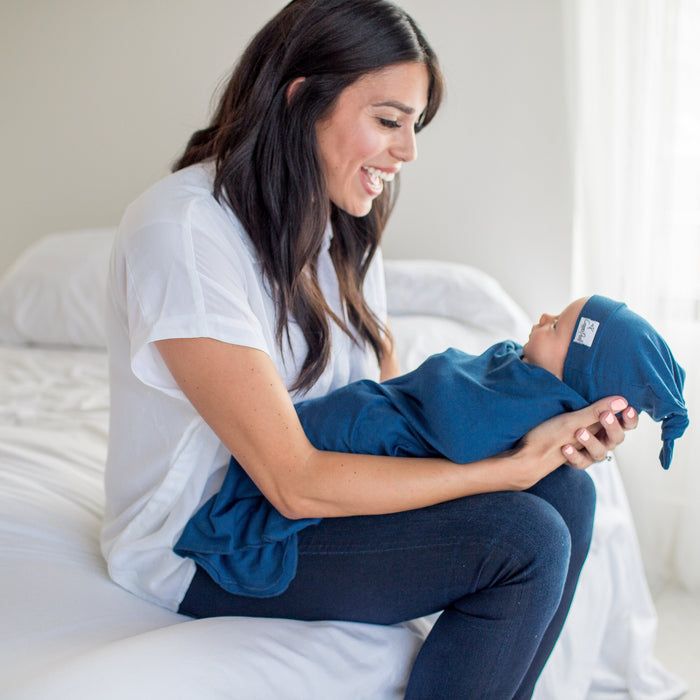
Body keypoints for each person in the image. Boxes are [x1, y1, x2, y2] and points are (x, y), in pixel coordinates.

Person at [101, 1, 639, 697]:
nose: (408, 151)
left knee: (566, 489)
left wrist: (532, 429)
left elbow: (390, 412)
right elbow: (292, 482)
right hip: (210, 540)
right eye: (389, 121)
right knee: (522, 538)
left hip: (309, 501)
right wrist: (502, 475)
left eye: (414, 126)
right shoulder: (181, 232)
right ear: (301, 100)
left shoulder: (338, 227)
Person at [176, 293, 688, 612]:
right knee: (534, 534)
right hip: (302, 467)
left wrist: (548, 443)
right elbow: (423, 392)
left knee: (571, 489)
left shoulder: (525, 398)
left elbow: (455, 419)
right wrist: (510, 469)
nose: (543, 316)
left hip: (356, 441)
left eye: (556, 327)